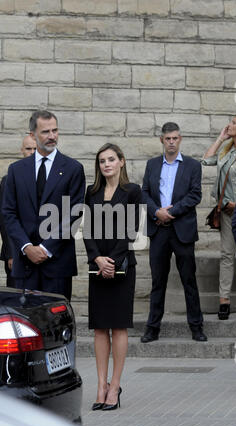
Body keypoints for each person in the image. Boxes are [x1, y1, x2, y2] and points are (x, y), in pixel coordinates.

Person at [2, 110, 85, 299]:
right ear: (32, 135)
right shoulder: (16, 170)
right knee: (25, 323)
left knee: (56, 323)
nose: (52, 136)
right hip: (25, 264)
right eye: (46, 132)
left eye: (55, 131)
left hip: (57, 263)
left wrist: (46, 249)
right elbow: (8, 213)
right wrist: (26, 247)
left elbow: (74, 213)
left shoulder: (73, 169)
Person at [83, 143, 142, 411]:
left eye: (110, 159)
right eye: (102, 161)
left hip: (122, 266)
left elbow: (132, 231)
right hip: (98, 266)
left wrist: (113, 261)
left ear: (121, 161)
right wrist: (97, 258)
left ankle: (115, 386)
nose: (106, 164)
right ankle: (100, 385)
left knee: (118, 326)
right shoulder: (91, 192)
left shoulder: (132, 192)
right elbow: (87, 230)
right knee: (99, 328)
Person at [141, 122, 207, 343]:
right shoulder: (151, 165)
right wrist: (156, 212)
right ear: (162, 140)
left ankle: (196, 327)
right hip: (159, 231)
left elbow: (195, 195)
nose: (171, 142)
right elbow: (145, 193)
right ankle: (152, 329)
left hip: (182, 231)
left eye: (175, 138)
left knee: (189, 280)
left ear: (180, 139)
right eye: (167, 138)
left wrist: (172, 212)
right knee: (158, 282)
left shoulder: (192, 166)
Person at [202, 114, 236, 320]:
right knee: (227, 255)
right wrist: (220, 138)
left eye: (234, 123)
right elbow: (206, 159)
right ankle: (224, 300)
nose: (230, 125)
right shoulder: (227, 151)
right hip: (227, 212)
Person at [0, 134, 37, 287]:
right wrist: (11, 254)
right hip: (17, 251)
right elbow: (5, 219)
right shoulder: (9, 179)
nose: (32, 152)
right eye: (28, 149)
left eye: (36, 148)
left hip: (41, 252)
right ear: (22, 150)